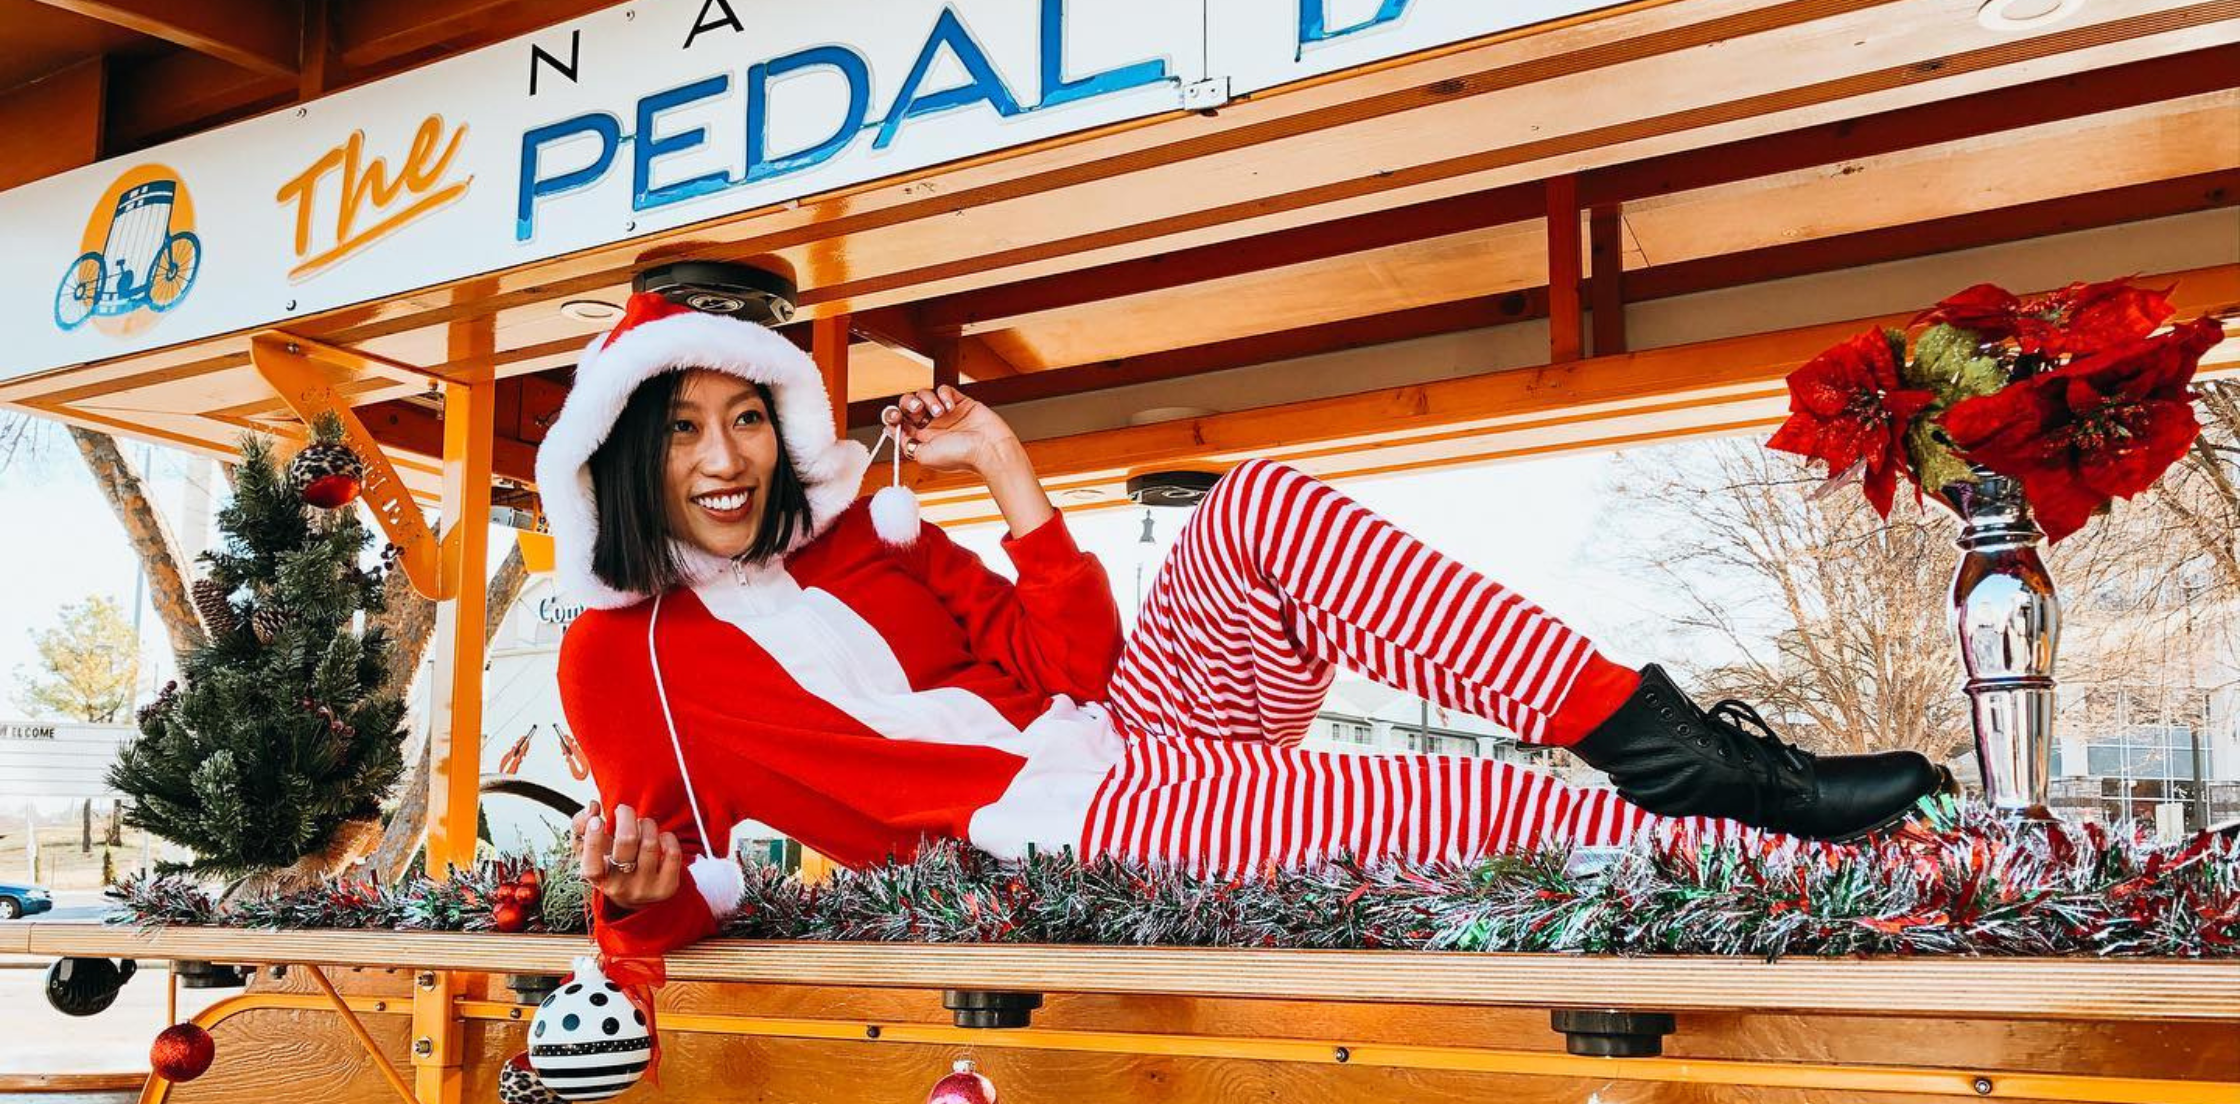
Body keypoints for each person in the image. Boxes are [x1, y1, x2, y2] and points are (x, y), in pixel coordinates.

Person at [538, 293, 1950, 959]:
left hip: (1121, 733)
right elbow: (668, 894)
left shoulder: (864, 537)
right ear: (621, 452)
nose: (722, 462)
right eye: (679, 432)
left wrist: (1008, 469)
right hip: (1066, 839)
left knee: (1261, 503)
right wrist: (639, 883)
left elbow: (1068, 667)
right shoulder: (622, 654)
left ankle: (1667, 745)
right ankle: (1903, 870)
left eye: (742, 423)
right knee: (1488, 809)